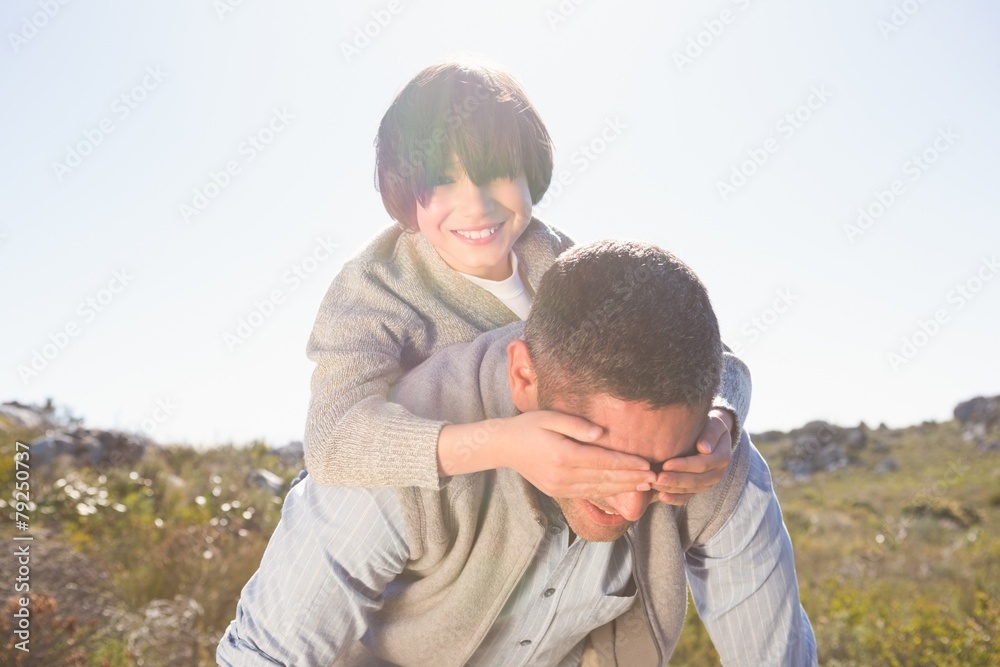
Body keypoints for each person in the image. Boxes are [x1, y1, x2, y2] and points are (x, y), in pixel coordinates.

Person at [218, 240, 817, 666]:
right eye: (601, 459)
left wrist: (726, 405)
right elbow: (266, 657)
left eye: (657, 468)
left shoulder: (713, 459)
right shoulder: (395, 451)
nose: (635, 505)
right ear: (524, 378)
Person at [304, 61, 752, 503]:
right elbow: (333, 439)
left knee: (740, 468)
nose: (476, 205)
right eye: (442, 180)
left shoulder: (557, 256)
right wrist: (504, 444)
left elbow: (709, 355)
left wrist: (719, 417)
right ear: (403, 188)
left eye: (497, 173)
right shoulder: (374, 287)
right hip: (439, 525)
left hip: (572, 516)